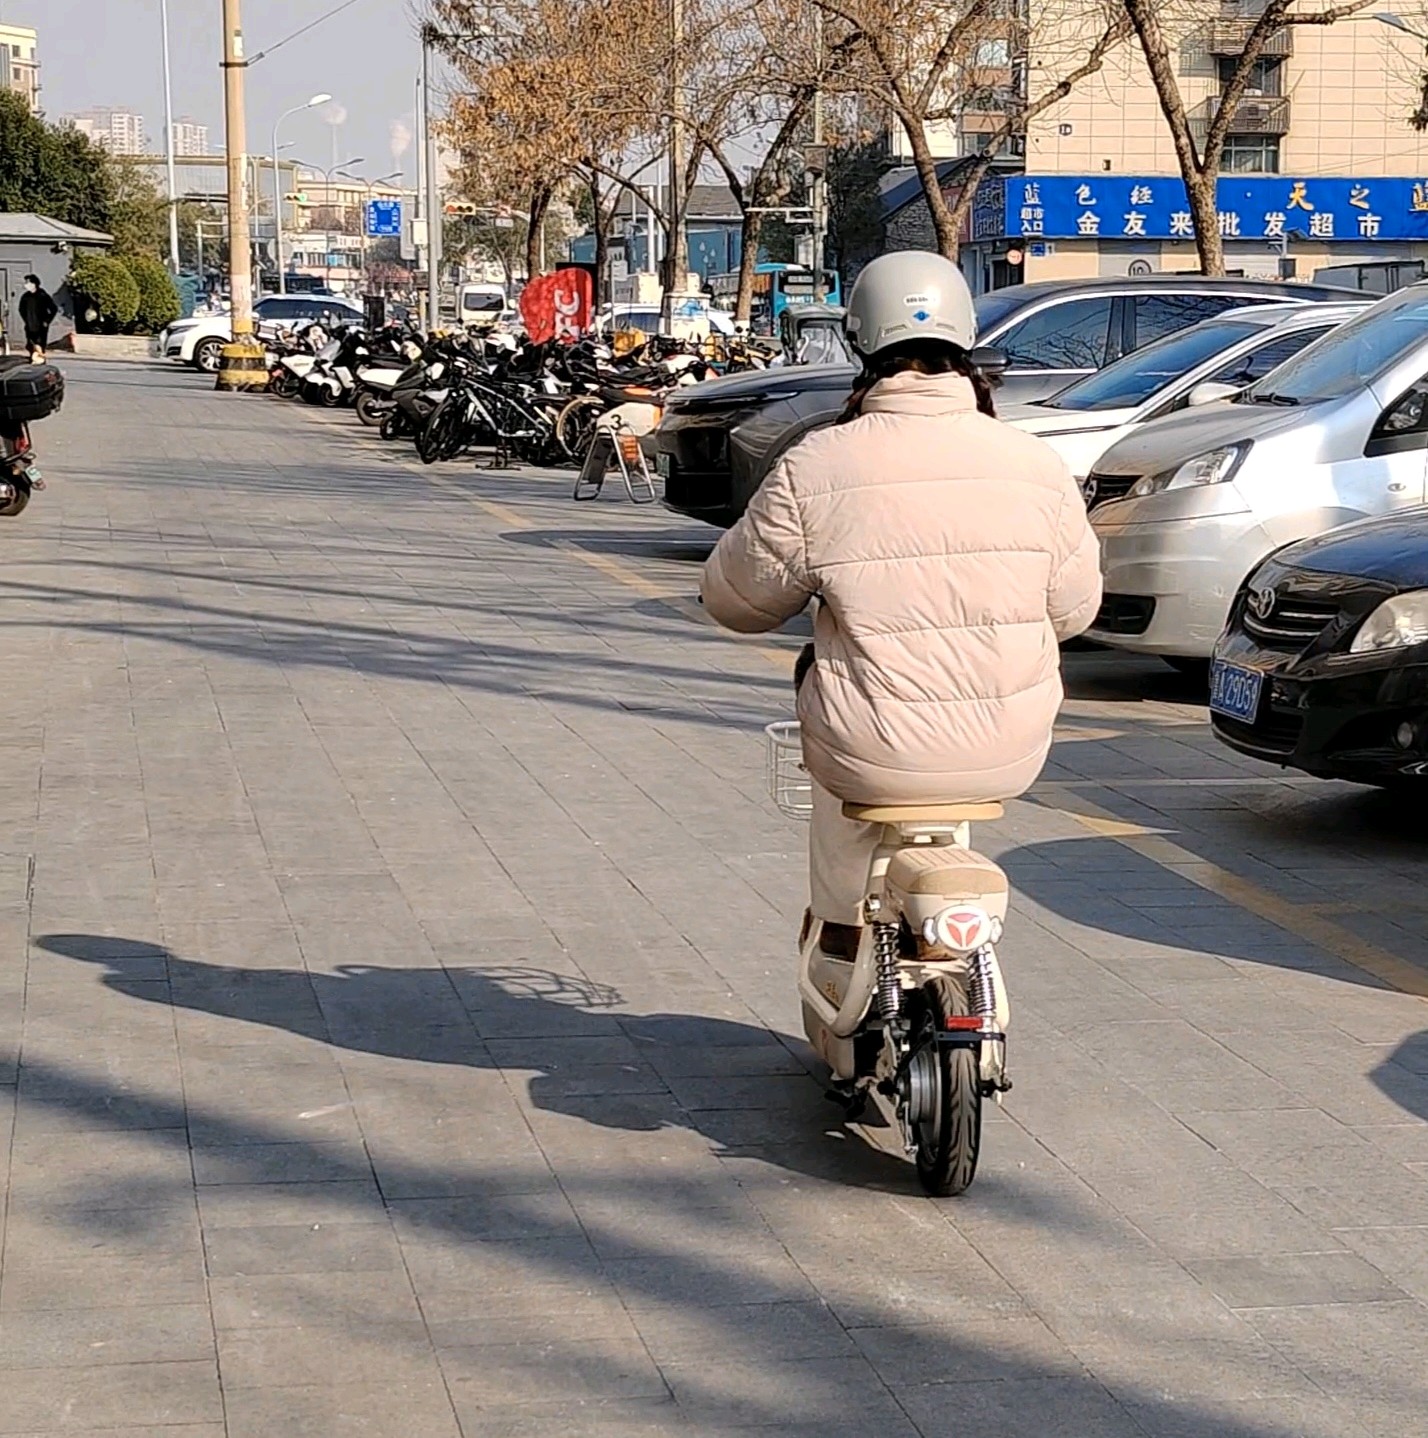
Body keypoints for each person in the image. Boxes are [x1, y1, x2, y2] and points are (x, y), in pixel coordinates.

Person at [700, 251, 1103, 955]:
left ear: (860, 341)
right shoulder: (1035, 463)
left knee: (832, 702)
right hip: (1011, 750)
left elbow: (738, 602)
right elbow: (1075, 611)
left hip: (869, 751)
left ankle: (841, 933)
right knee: (940, 758)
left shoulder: (819, 463)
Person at [19, 275, 57, 363]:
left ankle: (40, 360)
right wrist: (26, 320)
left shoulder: (42, 295)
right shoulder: (25, 297)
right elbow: (21, 309)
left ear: (34, 283)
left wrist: (47, 320)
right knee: (30, 344)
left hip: (41, 325)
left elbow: (53, 308)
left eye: (28, 282)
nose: (26, 285)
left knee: (40, 344)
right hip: (29, 325)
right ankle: (33, 358)